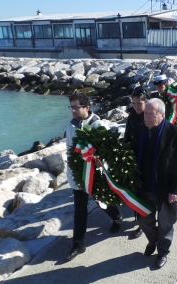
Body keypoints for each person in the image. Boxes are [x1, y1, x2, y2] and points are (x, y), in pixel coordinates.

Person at [65, 93, 123, 261]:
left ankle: (116, 216)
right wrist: (72, 173)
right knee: (80, 211)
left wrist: (102, 168)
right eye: (71, 107)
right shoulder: (70, 126)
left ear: (87, 107)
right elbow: (69, 150)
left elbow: (106, 151)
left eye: (76, 107)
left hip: (95, 173)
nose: (73, 110)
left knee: (102, 200)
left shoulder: (98, 125)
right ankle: (78, 244)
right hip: (78, 175)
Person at [131, 98, 177, 269]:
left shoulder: (176, 133)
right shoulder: (140, 130)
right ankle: (153, 241)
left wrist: (176, 190)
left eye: (151, 114)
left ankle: (163, 251)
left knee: (165, 224)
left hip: (165, 188)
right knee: (143, 221)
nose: (147, 117)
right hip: (144, 187)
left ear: (162, 115)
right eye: (146, 113)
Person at [123, 88, 150, 240]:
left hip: (148, 158)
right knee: (136, 191)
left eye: (139, 104)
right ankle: (140, 221)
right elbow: (127, 136)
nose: (136, 107)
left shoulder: (151, 116)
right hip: (134, 157)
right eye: (134, 103)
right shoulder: (131, 117)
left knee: (148, 192)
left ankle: (145, 221)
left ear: (146, 102)